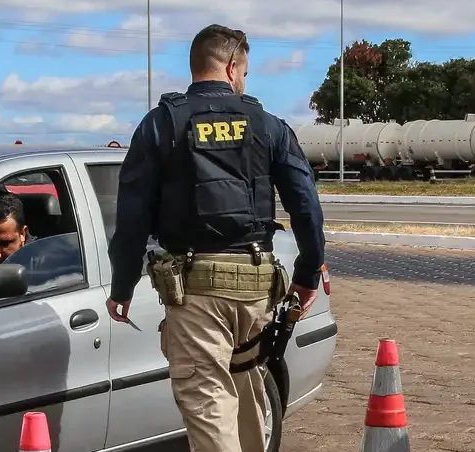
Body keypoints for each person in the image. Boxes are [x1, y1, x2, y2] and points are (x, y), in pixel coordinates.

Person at [105, 24, 326, 452]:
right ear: (230, 67)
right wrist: (307, 275)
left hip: (196, 291)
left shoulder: (161, 124)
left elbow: (131, 217)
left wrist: (122, 284)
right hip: (257, 287)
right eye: (244, 72)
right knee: (247, 395)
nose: (243, 80)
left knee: (209, 404)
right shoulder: (268, 125)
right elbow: (307, 207)